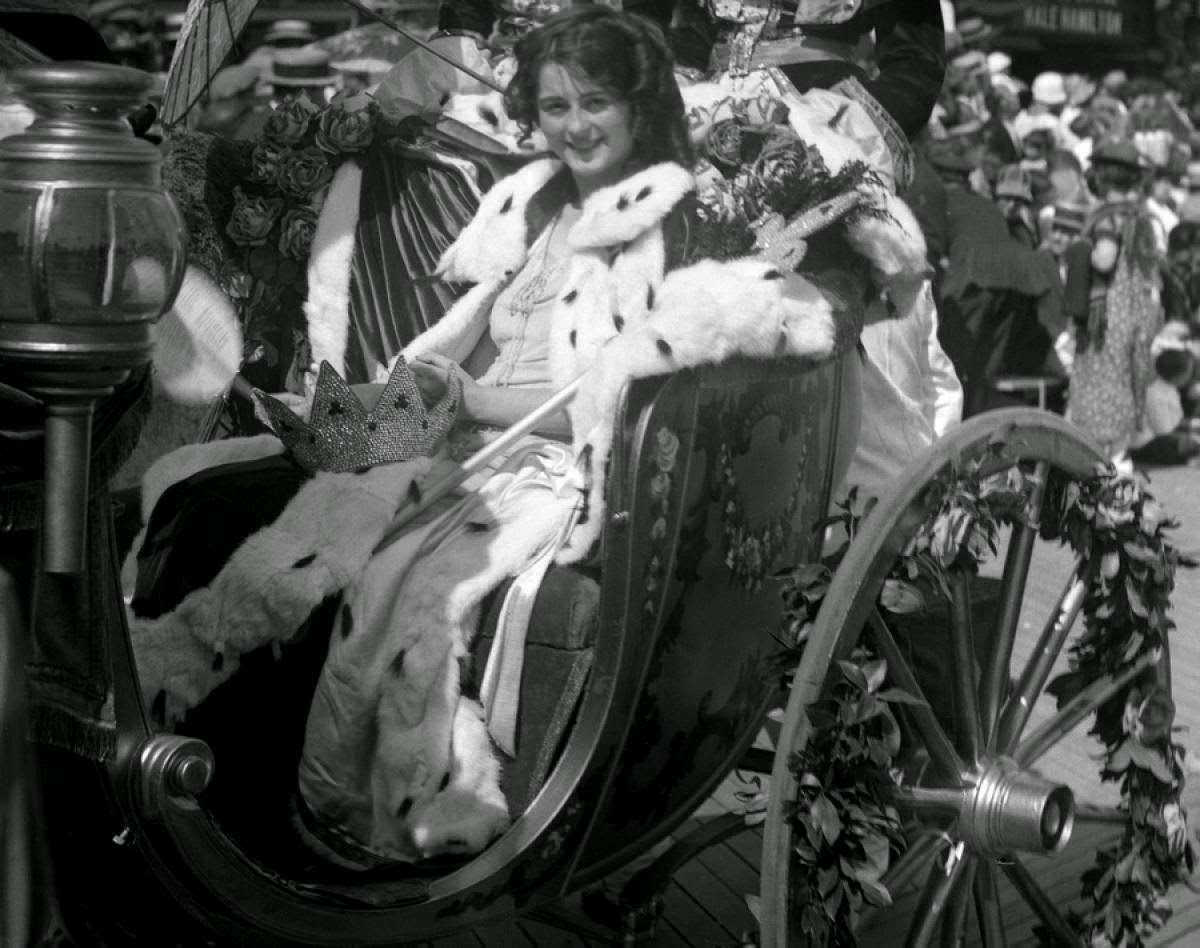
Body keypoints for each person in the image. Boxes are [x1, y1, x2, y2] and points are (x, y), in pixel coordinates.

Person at [130, 5, 849, 866]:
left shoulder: (665, 223)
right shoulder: (544, 210)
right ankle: (201, 768)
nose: (575, 126)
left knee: (378, 577)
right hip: (453, 438)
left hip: (546, 464)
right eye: (555, 108)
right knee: (222, 499)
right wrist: (384, 399)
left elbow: (607, 392)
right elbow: (466, 339)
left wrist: (466, 401)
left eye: (595, 104)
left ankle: (324, 811)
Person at [1068, 137, 1165, 464]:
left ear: (1102, 178)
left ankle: (1102, 465)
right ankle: (1120, 462)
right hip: (1138, 316)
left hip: (1109, 317)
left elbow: (1105, 260)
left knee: (1101, 382)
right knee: (1127, 379)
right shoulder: (1143, 218)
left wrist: (1081, 252)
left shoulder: (1108, 218)